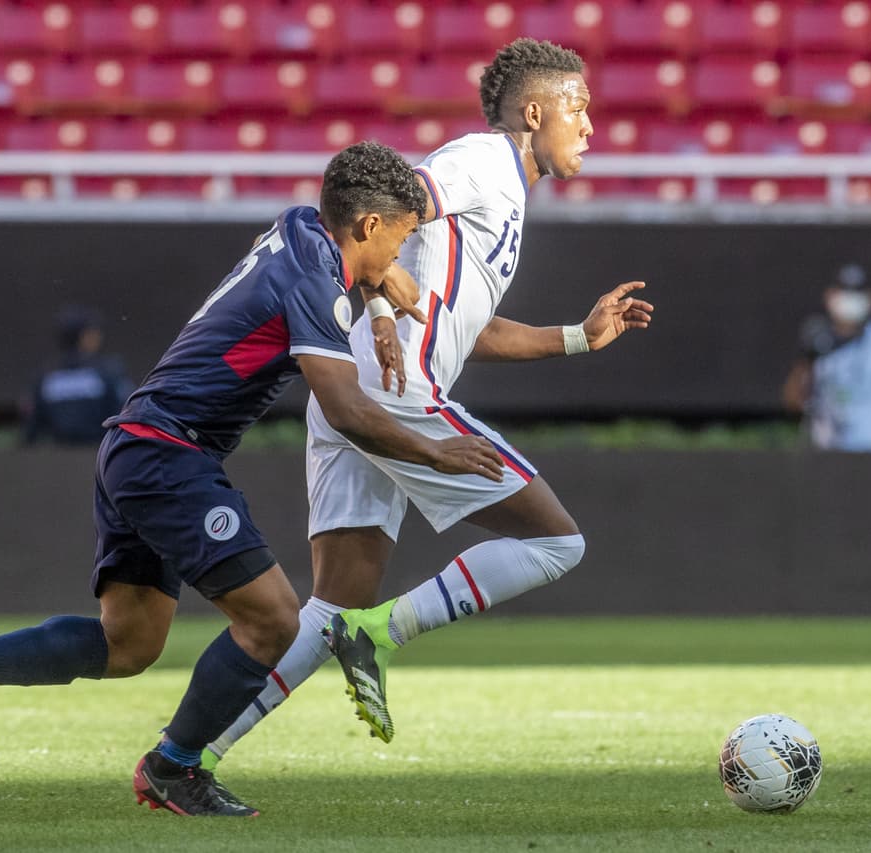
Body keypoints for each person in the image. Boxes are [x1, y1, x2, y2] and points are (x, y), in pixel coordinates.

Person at [0, 142, 505, 818]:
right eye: (401, 238)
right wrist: (437, 452)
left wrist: (378, 291)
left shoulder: (296, 226)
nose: (401, 254)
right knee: (275, 620)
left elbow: (347, 260)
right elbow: (345, 409)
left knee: (129, 643)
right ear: (369, 224)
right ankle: (174, 767)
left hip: (132, 445)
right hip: (170, 454)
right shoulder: (314, 286)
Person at [204, 38, 654, 767]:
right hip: (397, 389)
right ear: (534, 113)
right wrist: (381, 308)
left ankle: (189, 756)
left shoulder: (505, 193)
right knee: (556, 543)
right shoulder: (483, 161)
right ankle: (383, 632)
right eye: (578, 108)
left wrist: (577, 337)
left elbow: (467, 327)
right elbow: (371, 215)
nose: (590, 126)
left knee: (331, 606)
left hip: (359, 385)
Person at [782, 263, 871, 452]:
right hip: (826, 453)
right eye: (844, 292)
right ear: (829, 296)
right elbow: (794, 403)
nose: (850, 300)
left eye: (857, 293)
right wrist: (806, 360)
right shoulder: (818, 340)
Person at [22, 306, 133, 446]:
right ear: (84, 337)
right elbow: (126, 413)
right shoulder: (107, 371)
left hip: (60, 454)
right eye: (94, 332)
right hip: (101, 450)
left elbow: (32, 427)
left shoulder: (45, 376)